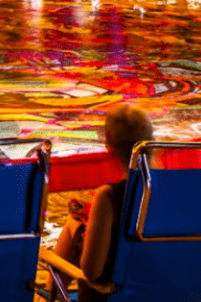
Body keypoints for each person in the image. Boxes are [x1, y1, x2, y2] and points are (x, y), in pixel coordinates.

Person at [51, 106, 156, 302]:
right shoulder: (182, 193)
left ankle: (49, 295)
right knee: (78, 224)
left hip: (115, 294)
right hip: (173, 291)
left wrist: (87, 234)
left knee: (73, 226)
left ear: (109, 144)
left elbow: (92, 272)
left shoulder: (109, 197)